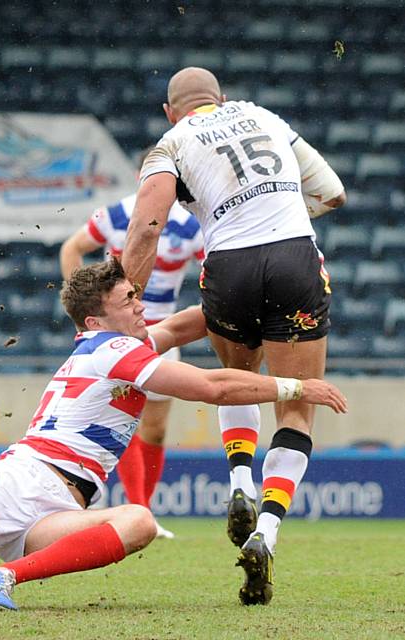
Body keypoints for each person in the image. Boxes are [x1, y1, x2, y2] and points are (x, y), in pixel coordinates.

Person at [0, 259, 347, 611]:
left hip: (61, 506)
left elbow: (195, 322)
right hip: (21, 478)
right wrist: (296, 384)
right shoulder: (114, 351)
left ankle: (2, 578)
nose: (141, 305)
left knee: (138, 522)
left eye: (138, 295)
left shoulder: (120, 346)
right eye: (129, 299)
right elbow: (211, 387)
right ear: (98, 317)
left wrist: (249, 296)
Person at [121, 67, 347, 605]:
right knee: (296, 408)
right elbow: (334, 193)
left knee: (238, 379)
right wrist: (283, 205)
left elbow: (147, 226)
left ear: (170, 112)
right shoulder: (263, 115)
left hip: (228, 266)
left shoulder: (169, 143)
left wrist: (126, 304)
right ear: (220, 99)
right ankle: (265, 532)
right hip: (294, 253)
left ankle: (240, 482)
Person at [59, 172, 204, 539]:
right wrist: (85, 309)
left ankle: (144, 512)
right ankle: (139, 510)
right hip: (117, 335)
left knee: (154, 430)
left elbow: (212, 266)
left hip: (163, 333)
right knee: (122, 423)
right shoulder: (116, 216)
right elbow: (71, 248)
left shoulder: (189, 224)